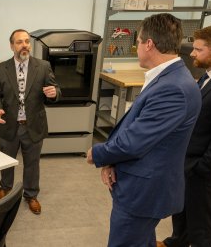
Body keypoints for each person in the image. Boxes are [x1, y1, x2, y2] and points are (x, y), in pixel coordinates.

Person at [86, 13, 202, 247]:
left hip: (144, 193)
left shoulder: (173, 88)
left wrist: (98, 154)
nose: (136, 46)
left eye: (137, 41)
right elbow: (141, 130)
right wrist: (112, 162)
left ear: (149, 44)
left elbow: (135, 141)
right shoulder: (169, 78)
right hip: (141, 185)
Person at [158, 24, 211, 247]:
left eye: (198, 50)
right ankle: (177, 241)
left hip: (204, 167)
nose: (192, 54)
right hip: (188, 162)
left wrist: (206, 168)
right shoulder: (207, 77)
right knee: (182, 209)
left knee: (201, 223)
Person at [0, 29, 61, 214]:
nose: (24, 45)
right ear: (12, 46)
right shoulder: (1, 68)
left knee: (32, 163)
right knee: (6, 160)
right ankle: (5, 187)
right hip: (9, 124)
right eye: (19, 42)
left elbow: (55, 90)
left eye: (27, 41)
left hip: (33, 125)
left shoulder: (43, 66)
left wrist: (54, 94)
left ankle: (31, 194)